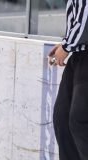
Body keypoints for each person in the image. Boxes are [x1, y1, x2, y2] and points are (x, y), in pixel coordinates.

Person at [48, 0, 88, 160]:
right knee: (62, 118)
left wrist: (67, 46)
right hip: (79, 55)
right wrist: (67, 44)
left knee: (79, 120)